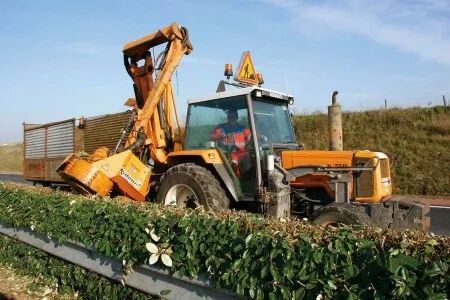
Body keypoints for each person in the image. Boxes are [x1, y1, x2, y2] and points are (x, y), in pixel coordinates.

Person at [210, 109, 251, 177]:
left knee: (249, 159)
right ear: (227, 117)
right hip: (226, 153)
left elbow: (251, 135)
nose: (231, 118)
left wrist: (260, 137)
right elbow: (212, 136)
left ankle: (246, 178)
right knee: (234, 163)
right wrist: (219, 137)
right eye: (230, 116)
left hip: (241, 152)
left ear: (237, 117)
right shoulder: (221, 127)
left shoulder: (242, 128)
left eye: (233, 116)